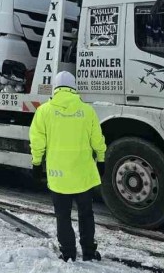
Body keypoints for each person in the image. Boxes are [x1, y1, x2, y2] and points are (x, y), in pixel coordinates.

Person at [29, 71, 107, 262]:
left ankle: (68, 253)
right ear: (74, 87)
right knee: (86, 214)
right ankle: (89, 252)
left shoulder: (44, 111)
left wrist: (37, 163)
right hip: (83, 174)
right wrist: (102, 159)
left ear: (55, 88)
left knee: (62, 216)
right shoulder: (87, 110)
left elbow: (37, 141)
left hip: (58, 175)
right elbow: (97, 140)